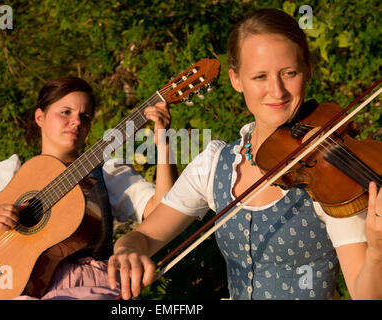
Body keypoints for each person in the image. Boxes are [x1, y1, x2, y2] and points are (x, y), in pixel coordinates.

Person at [107, 8, 382, 300]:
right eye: (259, 76)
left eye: (289, 73)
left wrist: (377, 254)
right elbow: (144, 237)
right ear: (236, 80)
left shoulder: (331, 181)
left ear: (307, 70)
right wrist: (127, 250)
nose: (277, 91)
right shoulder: (215, 165)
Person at [0, 76, 178, 300]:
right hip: (13, 289)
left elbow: (164, 212)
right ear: (40, 117)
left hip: (88, 287)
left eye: (85, 116)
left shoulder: (107, 173)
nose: (76, 122)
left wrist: (165, 144)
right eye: (65, 112)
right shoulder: (10, 172)